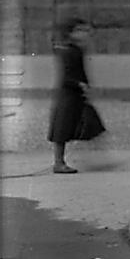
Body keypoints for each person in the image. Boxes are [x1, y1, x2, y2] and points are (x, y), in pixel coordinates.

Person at [47, 18, 102, 174]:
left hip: (76, 94)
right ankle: (58, 162)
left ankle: (92, 158)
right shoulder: (67, 51)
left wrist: (85, 85)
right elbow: (67, 75)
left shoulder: (76, 50)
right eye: (80, 30)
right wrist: (80, 84)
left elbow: (81, 71)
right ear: (70, 33)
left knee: (91, 124)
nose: (85, 34)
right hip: (67, 94)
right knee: (61, 129)